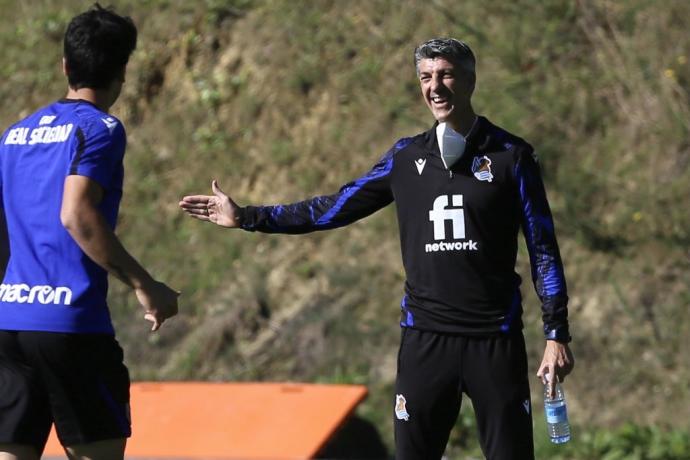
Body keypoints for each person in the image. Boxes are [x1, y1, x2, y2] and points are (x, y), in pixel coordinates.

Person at [179, 38, 573, 459]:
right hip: (426, 341)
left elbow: (543, 249)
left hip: (494, 341)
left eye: (446, 74)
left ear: (470, 81)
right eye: (425, 77)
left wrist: (556, 333)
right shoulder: (406, 158)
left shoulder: (512, 156)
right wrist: (248, 217)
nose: (435, 87)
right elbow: (332, 208)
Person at [0, 4, 179, 460]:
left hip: (10, 324)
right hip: (70, 326)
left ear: (65, 65)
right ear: (122, 70)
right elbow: (76, 214)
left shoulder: (14, 135)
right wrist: (146, 285)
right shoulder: (99, 129)